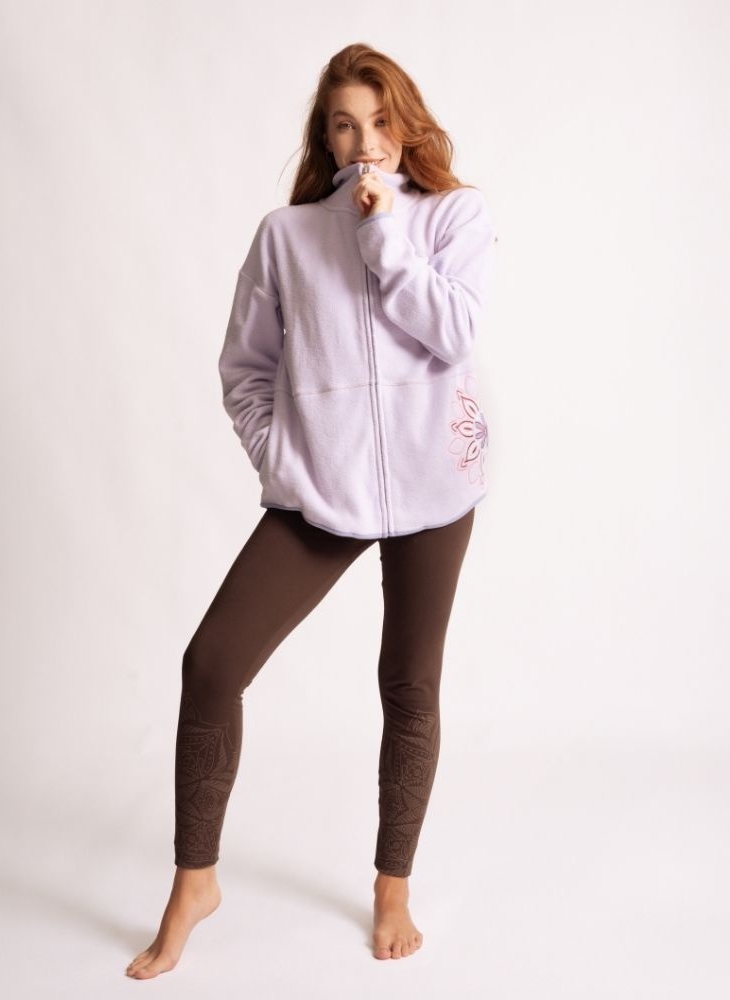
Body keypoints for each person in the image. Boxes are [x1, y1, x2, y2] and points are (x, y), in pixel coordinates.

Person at [126, 41, 498, 979]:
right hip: (322, 492)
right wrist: (285, 457)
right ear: (324, 139)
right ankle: (195, 882)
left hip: (435, 487)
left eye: (380, 120)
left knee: (408, 684)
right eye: (345, 124)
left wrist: (385, 236)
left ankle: (392, 887)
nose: (365, 140)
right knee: (212, 664)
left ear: (406, 124)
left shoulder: (454, 215)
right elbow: (244, 369)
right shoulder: (285, 237)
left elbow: (454, 332)